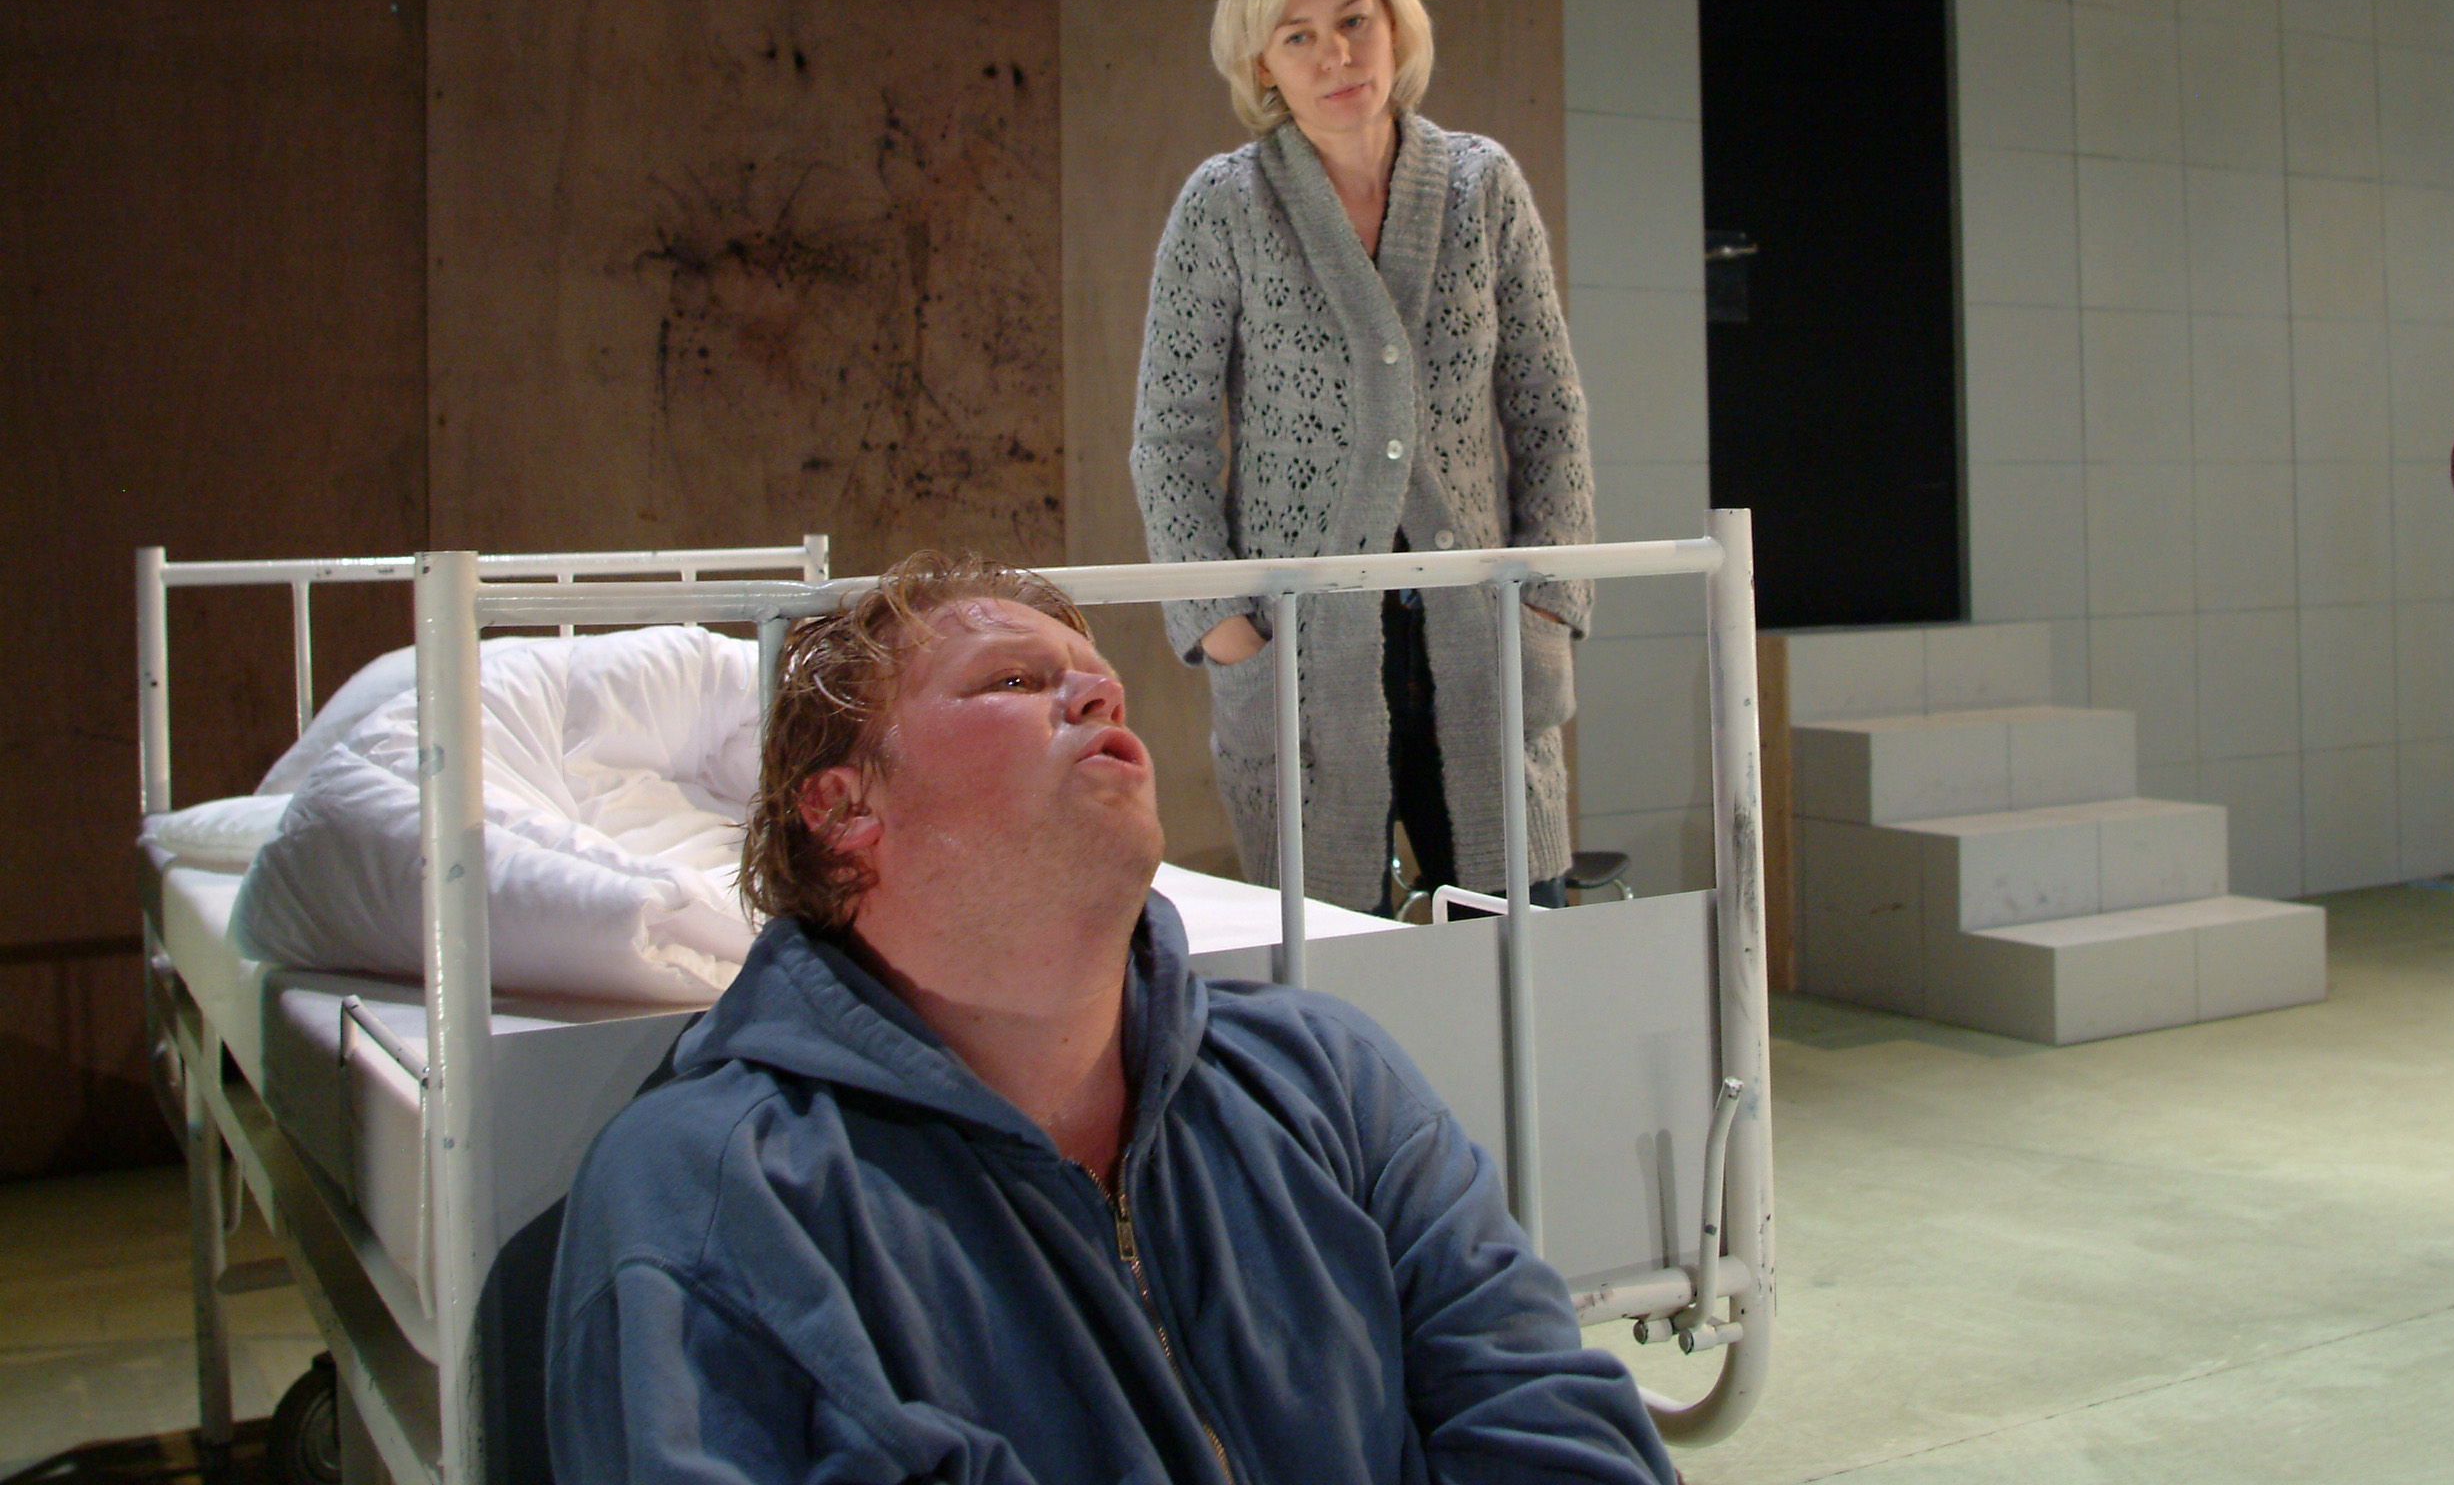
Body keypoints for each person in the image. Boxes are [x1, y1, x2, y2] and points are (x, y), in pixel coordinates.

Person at [545, 552, 1675, 1484]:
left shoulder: (1328, 1078)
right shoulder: (719, 1191)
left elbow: (1553, 1428)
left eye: (1098, 682)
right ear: (846, 809)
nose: (1097, 696)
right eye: (1009, 681)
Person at [1131, 0, 1595, 915]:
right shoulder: (1226, 205)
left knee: (1522, 946)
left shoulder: (1482, 186)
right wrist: (1223, 628)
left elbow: (1549, 411)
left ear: (1394, 21)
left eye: (1353, 20)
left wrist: (1551, 596)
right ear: (1262, 61)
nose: (1336, 55)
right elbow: (1169, 442)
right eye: (1297, 35)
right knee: (1332, 964)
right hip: (1301, 656)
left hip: (1479, 638)